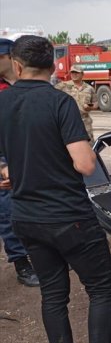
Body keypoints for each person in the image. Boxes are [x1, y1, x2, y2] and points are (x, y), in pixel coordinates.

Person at [0, 35, 111, 343]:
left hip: (26, 216)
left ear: (16, 66)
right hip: (69, 216)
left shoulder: (3, 102)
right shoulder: (60, 102)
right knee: (101, 290)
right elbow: (84, 162)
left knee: (52, 294)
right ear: (53, 65)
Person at [0, 37, 40, 287]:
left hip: (28, 153)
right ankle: (21, 262)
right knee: (8, 211)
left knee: (35, 205)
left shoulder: (23, 85)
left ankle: (40, 256)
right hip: (4, 158)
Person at [55, 65, 98, 141]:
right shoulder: (63, 86)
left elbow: (96, 104)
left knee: (88, 145)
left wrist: (89, 107)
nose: (74, 75)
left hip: (85, 121)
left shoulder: (89, 88)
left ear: (82, 74)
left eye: (76, 73)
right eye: (72, 73)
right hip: (68, 121)